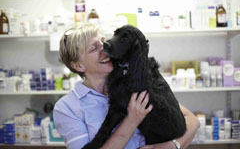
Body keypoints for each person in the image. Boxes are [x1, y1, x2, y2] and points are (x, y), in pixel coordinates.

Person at [53, 23, 200, 149]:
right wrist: (132, 119)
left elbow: (192, 120)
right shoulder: (67, 108)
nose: (104, 48)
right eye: (93, 48)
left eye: (103, 41)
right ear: (78, 65)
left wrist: (173, 145)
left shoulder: (135, 80)